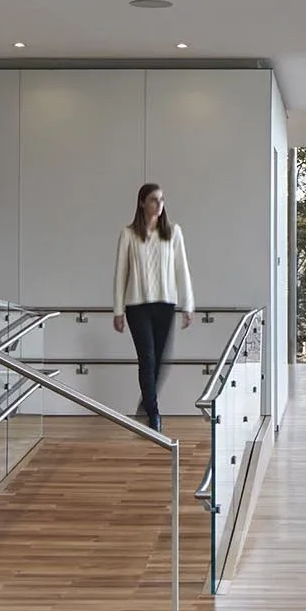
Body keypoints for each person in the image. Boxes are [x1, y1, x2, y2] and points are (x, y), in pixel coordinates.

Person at [112, 182, 194, 430]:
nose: (159, 204)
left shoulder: (173, 232)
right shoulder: (128, 234)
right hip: (137, 306)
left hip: (165, 304)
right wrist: (118, 310)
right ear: (142, 203)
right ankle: (154, 413)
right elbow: (120, 274)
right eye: (153, 200)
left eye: (161, 200)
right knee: (146, 359)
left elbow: (182, 270)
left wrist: (188, 304)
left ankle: (146, 404)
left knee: (160, 360)